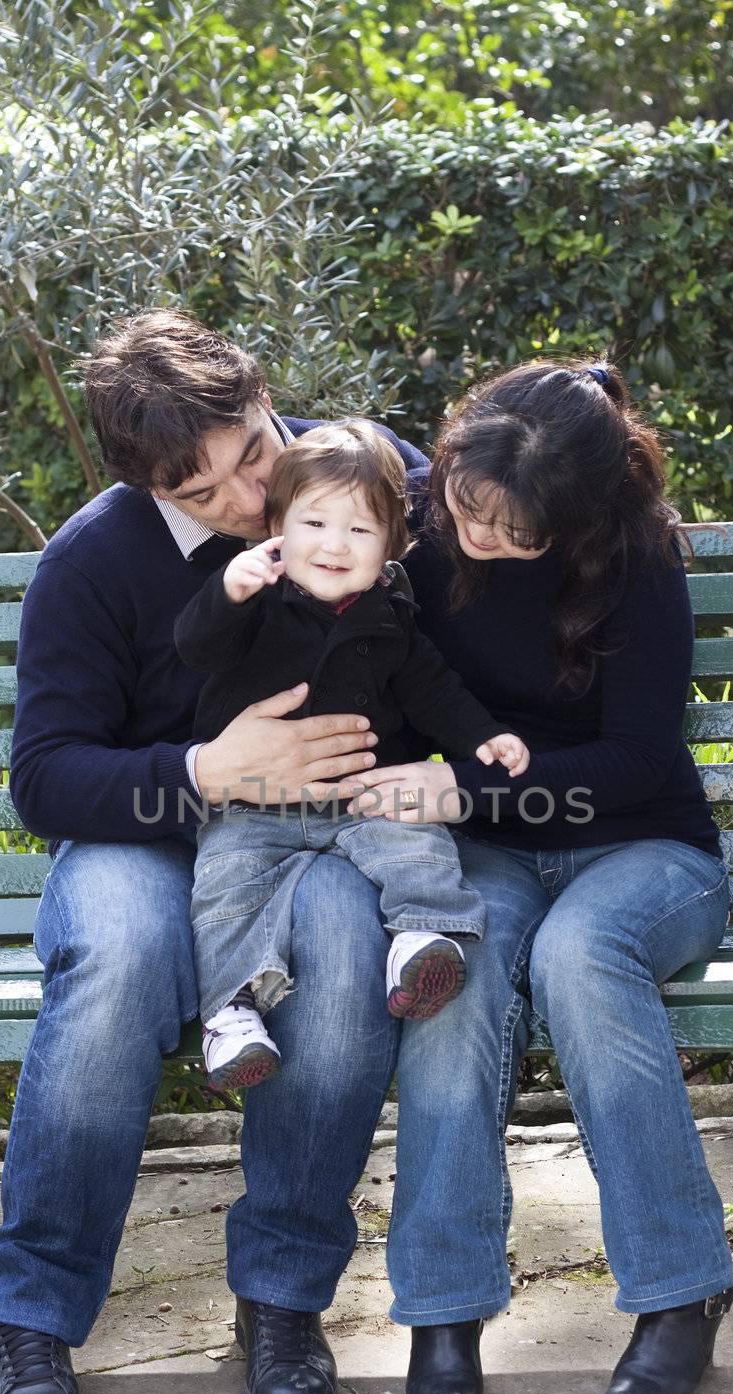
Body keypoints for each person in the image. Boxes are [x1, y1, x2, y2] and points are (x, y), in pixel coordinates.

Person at [0, 310, 538, 1394]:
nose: (246, 502)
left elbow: (509, 529)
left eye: (252, 455)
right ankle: (31, 1317)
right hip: (150, 830)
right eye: (202, 494)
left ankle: (280, 1300)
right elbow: (43, 776)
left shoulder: (360, 477)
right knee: (123, 957)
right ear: (149, 490)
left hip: (325, 831)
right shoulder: (92, 561)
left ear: (266, 401)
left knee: (340, 950)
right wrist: (207, 769)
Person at [355, 357, 733, 1394]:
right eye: (463, 511)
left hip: (643, 850)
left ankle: (678, 1291)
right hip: (485, 851)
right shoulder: (426, 527)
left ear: (572, 520)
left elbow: (635, 761)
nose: (474, 538)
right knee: (453, 972)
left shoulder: (636, 555)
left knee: (578, 954)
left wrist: (454, 789)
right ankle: (442, 1305)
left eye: (509, 532)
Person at [175, 419, 529, 1089]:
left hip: (356, 792)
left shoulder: (390, 612)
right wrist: (227, 592)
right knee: (226, 889)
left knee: (416, 841)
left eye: (359, 531)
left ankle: (423, 942)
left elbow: (432, 690)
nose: (333, 546)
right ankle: (231, 1014)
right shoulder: (253, 596)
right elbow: (197, 650)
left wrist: (481, 737)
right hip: (252, 802)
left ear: (392, 545)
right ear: (277, 524)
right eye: (313, 524)